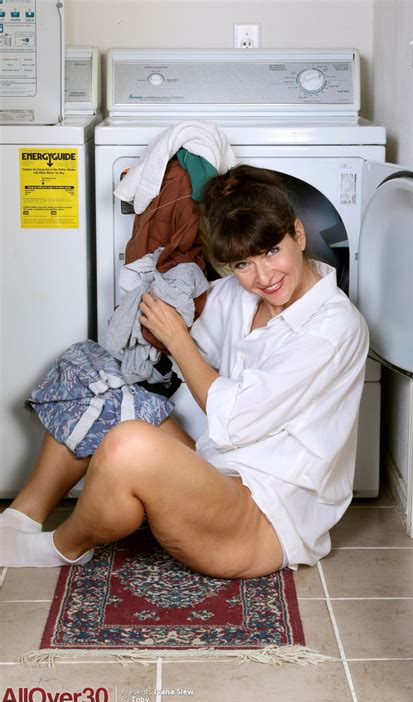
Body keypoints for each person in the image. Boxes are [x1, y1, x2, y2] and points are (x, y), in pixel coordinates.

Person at [0, 165, 369, 577]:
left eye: (271, 251)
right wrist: (159, 306)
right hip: (214, 467)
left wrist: (177, 339)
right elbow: (182, 346)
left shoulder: (333, 327)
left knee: (128, 445)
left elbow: (236, 418)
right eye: (243, 264)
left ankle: (60, 547)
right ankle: (20, 517)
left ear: (297, 234)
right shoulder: (239, 295)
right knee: (90, 369)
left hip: (263, 518)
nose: (264, 277)